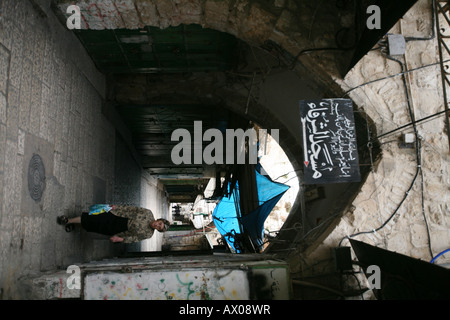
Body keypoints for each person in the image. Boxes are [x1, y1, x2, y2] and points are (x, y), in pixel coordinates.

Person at [57, 204, 170, 243]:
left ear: (158, 230)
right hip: (117, 215)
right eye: (159, 223)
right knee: (94, 217)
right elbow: (131, 209)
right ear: (158, 220)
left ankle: (75, 225)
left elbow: (134, 238)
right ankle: (68, 220)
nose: (157, 225)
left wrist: (121, 239)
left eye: (159, 227)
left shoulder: (148, 234)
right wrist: (116, 207)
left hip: (118, 229)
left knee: (96, 227)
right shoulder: (148, 213)